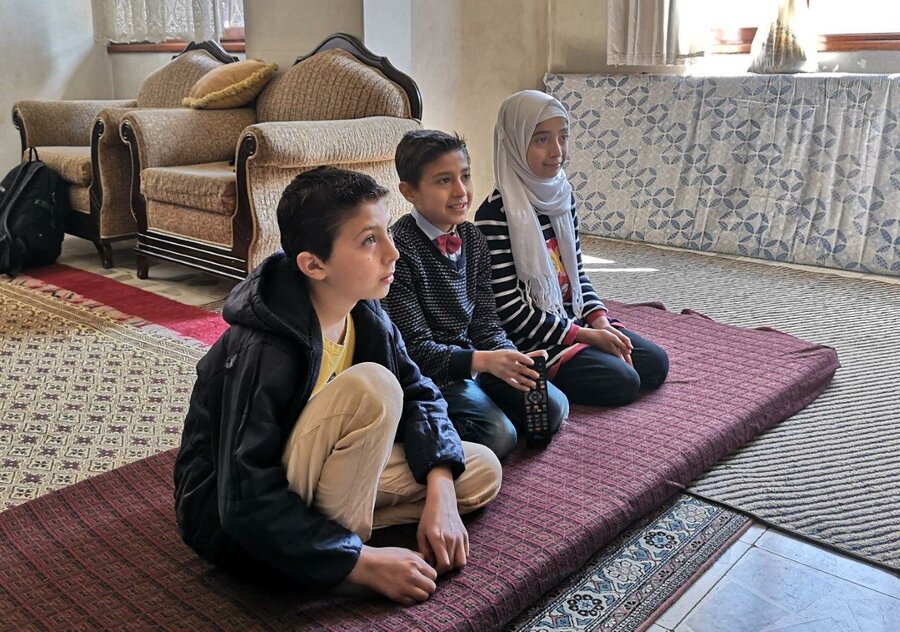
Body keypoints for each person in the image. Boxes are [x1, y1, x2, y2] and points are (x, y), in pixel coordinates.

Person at [174, 167, 502, 605]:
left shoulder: (365, 311)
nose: (393, 252)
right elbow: (243, 497)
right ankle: (343, 557)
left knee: (478, 469)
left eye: (387, 231)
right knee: (373, 388)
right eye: (369, 240)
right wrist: (363, 565)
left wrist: (440, 491)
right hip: (231, 511)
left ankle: (315, 541)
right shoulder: (263, 348)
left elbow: (420, 391)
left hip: (318, 473)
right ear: (314, 264)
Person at [382, 130, 569, 459]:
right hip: (435, 376)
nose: (461, 191)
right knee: (499, 437)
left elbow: (486, 322)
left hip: (475, 361)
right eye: (443, 181)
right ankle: (427, 425)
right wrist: (481, 361)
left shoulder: (473, 238)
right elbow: (414, 349)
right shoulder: (399, 251)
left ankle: (484, 406)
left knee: (553, 407)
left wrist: (510, 359)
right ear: (409, 191)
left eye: (465, 176)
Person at [475, 90, 669, 406]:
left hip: (574, 319)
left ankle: (588, 354)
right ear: (513, 142)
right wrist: (588, 337)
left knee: (656, 364)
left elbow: (577, 275)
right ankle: (555, 376)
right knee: (624, 382)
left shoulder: (562, 198)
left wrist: (601, 323)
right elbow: (509, 311)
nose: (557, 151)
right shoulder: (494, 216)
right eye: (541, 140)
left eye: (562, 138)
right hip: (532, 338)